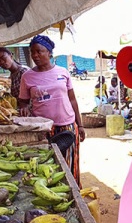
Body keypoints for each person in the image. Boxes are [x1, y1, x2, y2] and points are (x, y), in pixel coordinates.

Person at [18, 35, 85, 186]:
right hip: (43, 129)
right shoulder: (27, 76)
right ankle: (52, 196)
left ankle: (73, 195)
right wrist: (23, 108)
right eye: (32, 52)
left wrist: (80, 125)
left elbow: (72, 99)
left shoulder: (63, 72)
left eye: (39, 51)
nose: (35, 55)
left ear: (49, 52)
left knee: (69, 163)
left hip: (67, 125)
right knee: (47, 166)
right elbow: (23, 101)